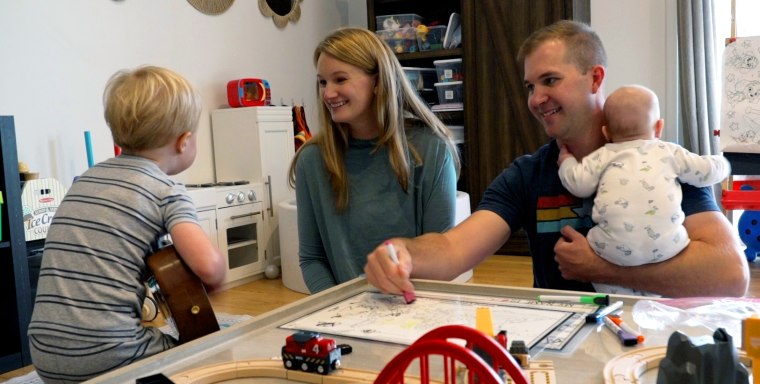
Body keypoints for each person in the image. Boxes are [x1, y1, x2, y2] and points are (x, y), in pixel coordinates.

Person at [364, 20, 749, 298]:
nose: (535, 99)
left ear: (595, 79)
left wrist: (601, 268)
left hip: (650, 347)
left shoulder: (661, 162)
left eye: (550, 81)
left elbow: (731, 274)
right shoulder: (527, 174)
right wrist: (401, 252)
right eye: (530, 86)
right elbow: (452, 250)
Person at [28, 66, 226, 382]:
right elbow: (208, 265)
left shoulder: (85, 179)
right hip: (111, 354)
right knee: (202, 360)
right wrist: (217, 277)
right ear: (184, 141)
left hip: (44, 354)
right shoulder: (166, 190)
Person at [287, 27, 461, 294]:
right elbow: (312, 259)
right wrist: (340, 309)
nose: (328, 94)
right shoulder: (312, 160)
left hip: (417, 305)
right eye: (323, 82)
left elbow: (440, 254)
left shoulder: (432, 150)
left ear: (378, 81)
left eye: (340, 79)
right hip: (342, 314)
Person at [557, 84, 731, 296]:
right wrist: (723, 163)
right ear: (659, 127)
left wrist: (566, 161)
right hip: (668, 247)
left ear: (606, 132)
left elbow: (578, 183)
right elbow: (706, 172)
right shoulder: (669, 152)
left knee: (600, 260)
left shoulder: (603, 155)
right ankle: (653, 299)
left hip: (611, 251)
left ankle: (622, 303)